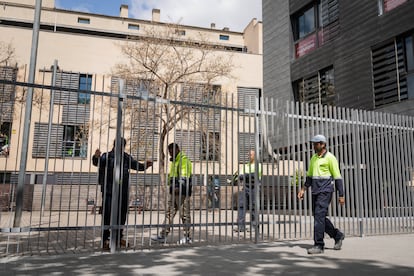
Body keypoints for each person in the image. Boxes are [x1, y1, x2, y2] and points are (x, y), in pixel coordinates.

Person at [92, 137, 153, 250]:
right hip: (109, 191)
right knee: (107, 215)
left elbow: (137, 165)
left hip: (122, 191)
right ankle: (105, 240)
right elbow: (97, 162)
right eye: (118, 146)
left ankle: (118, 238)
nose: (120, 148)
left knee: (121, 215)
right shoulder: (107, 156)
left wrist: (145, 166)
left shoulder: (126, 157)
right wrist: (96, 157)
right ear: (114, 145)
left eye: (122, 146)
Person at [297, 134, 345, 254]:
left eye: (316, 143)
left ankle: (319, 245)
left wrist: (341, 195)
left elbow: (337, 177)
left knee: (319, 216)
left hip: (325, 191)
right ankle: (337, 235)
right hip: (315, 191)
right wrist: (303, 189)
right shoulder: (313, 158)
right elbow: (309, 176)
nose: (313, 145)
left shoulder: (330, 158)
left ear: (322, 144)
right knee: (319, 217)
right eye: (313, 143)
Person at [152, 143, 193, 244]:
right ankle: (163, 235)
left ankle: (187, 237)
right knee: (169, 214)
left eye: (172, 151)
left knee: (184, 215)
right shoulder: (174, 161)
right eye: (169, 152)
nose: (170, 154)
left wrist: (179, 187)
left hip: (182, 193)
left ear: (178, 149)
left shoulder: (183, 159)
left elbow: (185, 176)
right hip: (173, 192)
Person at [234, 149, 262, 232]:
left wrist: (246, 175)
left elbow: (255, 175)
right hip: (245, 187)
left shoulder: (258, 165)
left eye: (251, 154)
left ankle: (254, 226)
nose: (249, 156)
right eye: (248, 154)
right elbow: (240, 176)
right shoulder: (246, 165)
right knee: (242, 206)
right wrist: (248, 176)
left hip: (254, 187)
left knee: (253, 207)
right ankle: (241, 226)